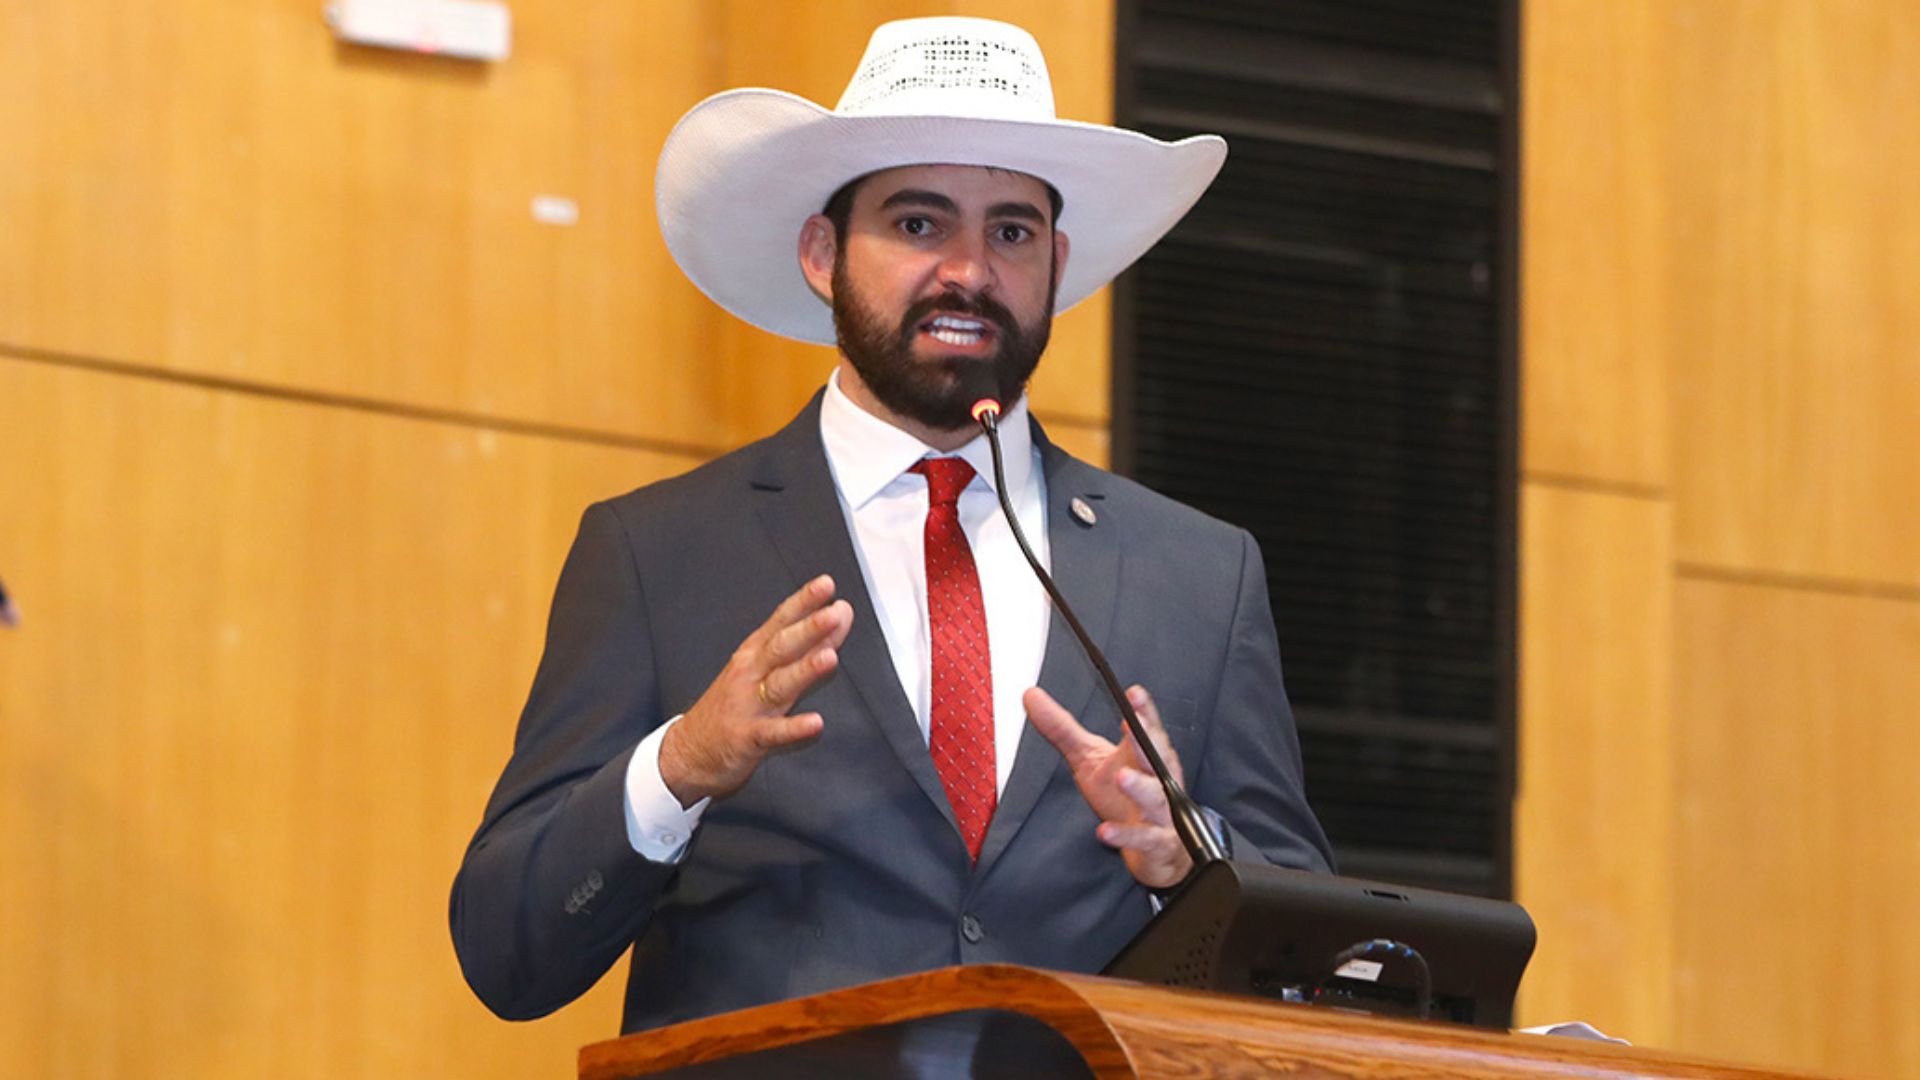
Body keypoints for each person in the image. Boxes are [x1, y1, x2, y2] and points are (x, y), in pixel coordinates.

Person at [450, 16, 1333, 1032]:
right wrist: (678, 767)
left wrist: (1188, 853)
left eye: (1011, 232)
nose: (969, 270)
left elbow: (1312, 973)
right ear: (823, 254)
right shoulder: (658, 554)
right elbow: (504, 951)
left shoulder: (1197, 574)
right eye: (919, 225)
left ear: (1058, 263)